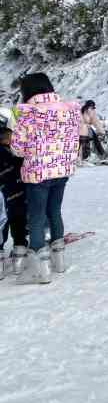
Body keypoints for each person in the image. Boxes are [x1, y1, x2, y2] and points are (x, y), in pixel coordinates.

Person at [11, 73, 80, 284]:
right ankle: (58, 260)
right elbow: (75, 141)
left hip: (38, 172)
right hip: (62, 170)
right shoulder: (68, 110)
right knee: (54, 211)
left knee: (37, 215)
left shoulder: (28, 113)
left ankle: (41, 267)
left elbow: (17, 149)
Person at [0, 111, 27, 278]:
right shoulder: (14, 154)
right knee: (19, 226)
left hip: (3, 200)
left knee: (2, 227)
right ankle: (19, 259)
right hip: (17, 196)